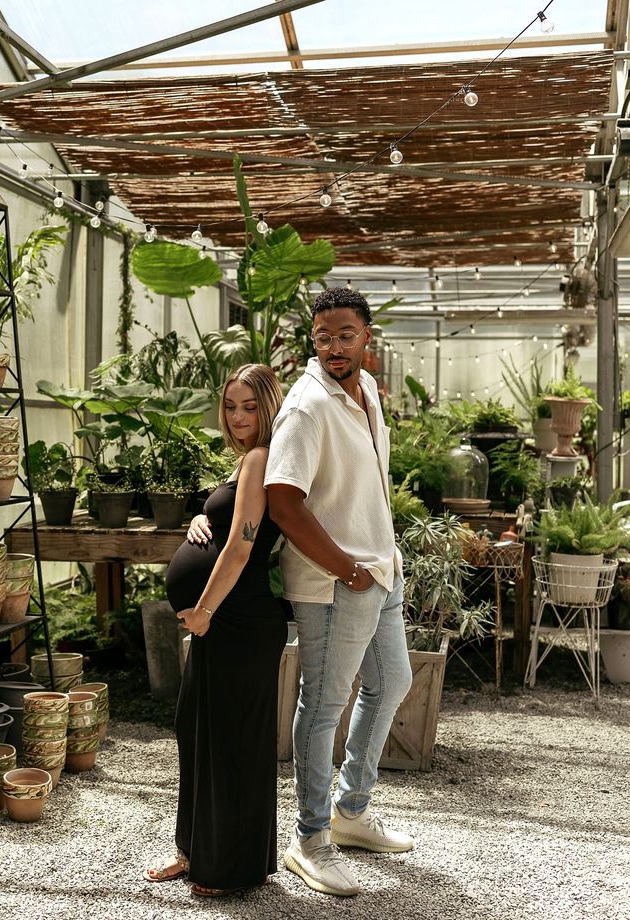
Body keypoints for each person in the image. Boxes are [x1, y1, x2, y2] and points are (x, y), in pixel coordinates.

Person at [264, 287, 414, 898]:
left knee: (393, 682)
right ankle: (311, 840)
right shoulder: (307, 406)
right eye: (322, 337)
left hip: (380, 568)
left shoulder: (367, 392)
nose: (333, 347)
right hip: (336, 582)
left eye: (344, 335)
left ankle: (352, 811)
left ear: (366, 339)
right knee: (324, 707)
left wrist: (379, 561)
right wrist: (346, 567)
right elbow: (281, 499)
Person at [143, 363, 287, 898]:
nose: (239, 415)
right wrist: (200, 519)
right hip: (223, 621)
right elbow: (230, 527)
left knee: (228, 743)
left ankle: (227, 867)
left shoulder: (261, 457)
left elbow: (244, 545)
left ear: (269, 407)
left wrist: (201, 608)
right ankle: (194, 849)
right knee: (197, 732)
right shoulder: (242, 463)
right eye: (231, 405)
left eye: (251, 406)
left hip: (237, 620)